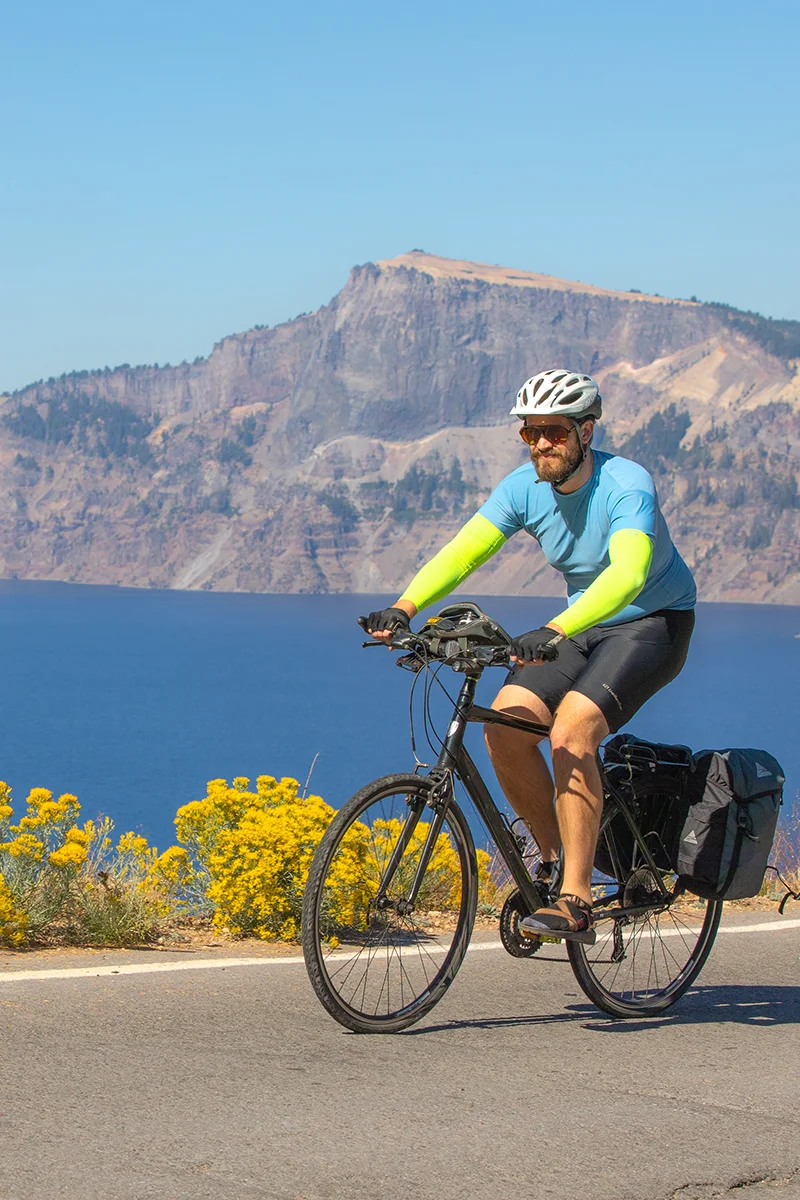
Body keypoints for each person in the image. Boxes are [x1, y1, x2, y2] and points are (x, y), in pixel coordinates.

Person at [365, 367, 696, 944]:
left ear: (586, 431)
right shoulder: (525, 488)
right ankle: (552, 863)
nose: (542, 443)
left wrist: (554, 627)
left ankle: (577, 899)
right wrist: (406, 604)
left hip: (651, 624)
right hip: (581, 624)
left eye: (555, 432)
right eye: (530, 432)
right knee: (505, 728)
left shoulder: (626, 483)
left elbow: (628, 575)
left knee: (571, 733)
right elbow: (467, 548)